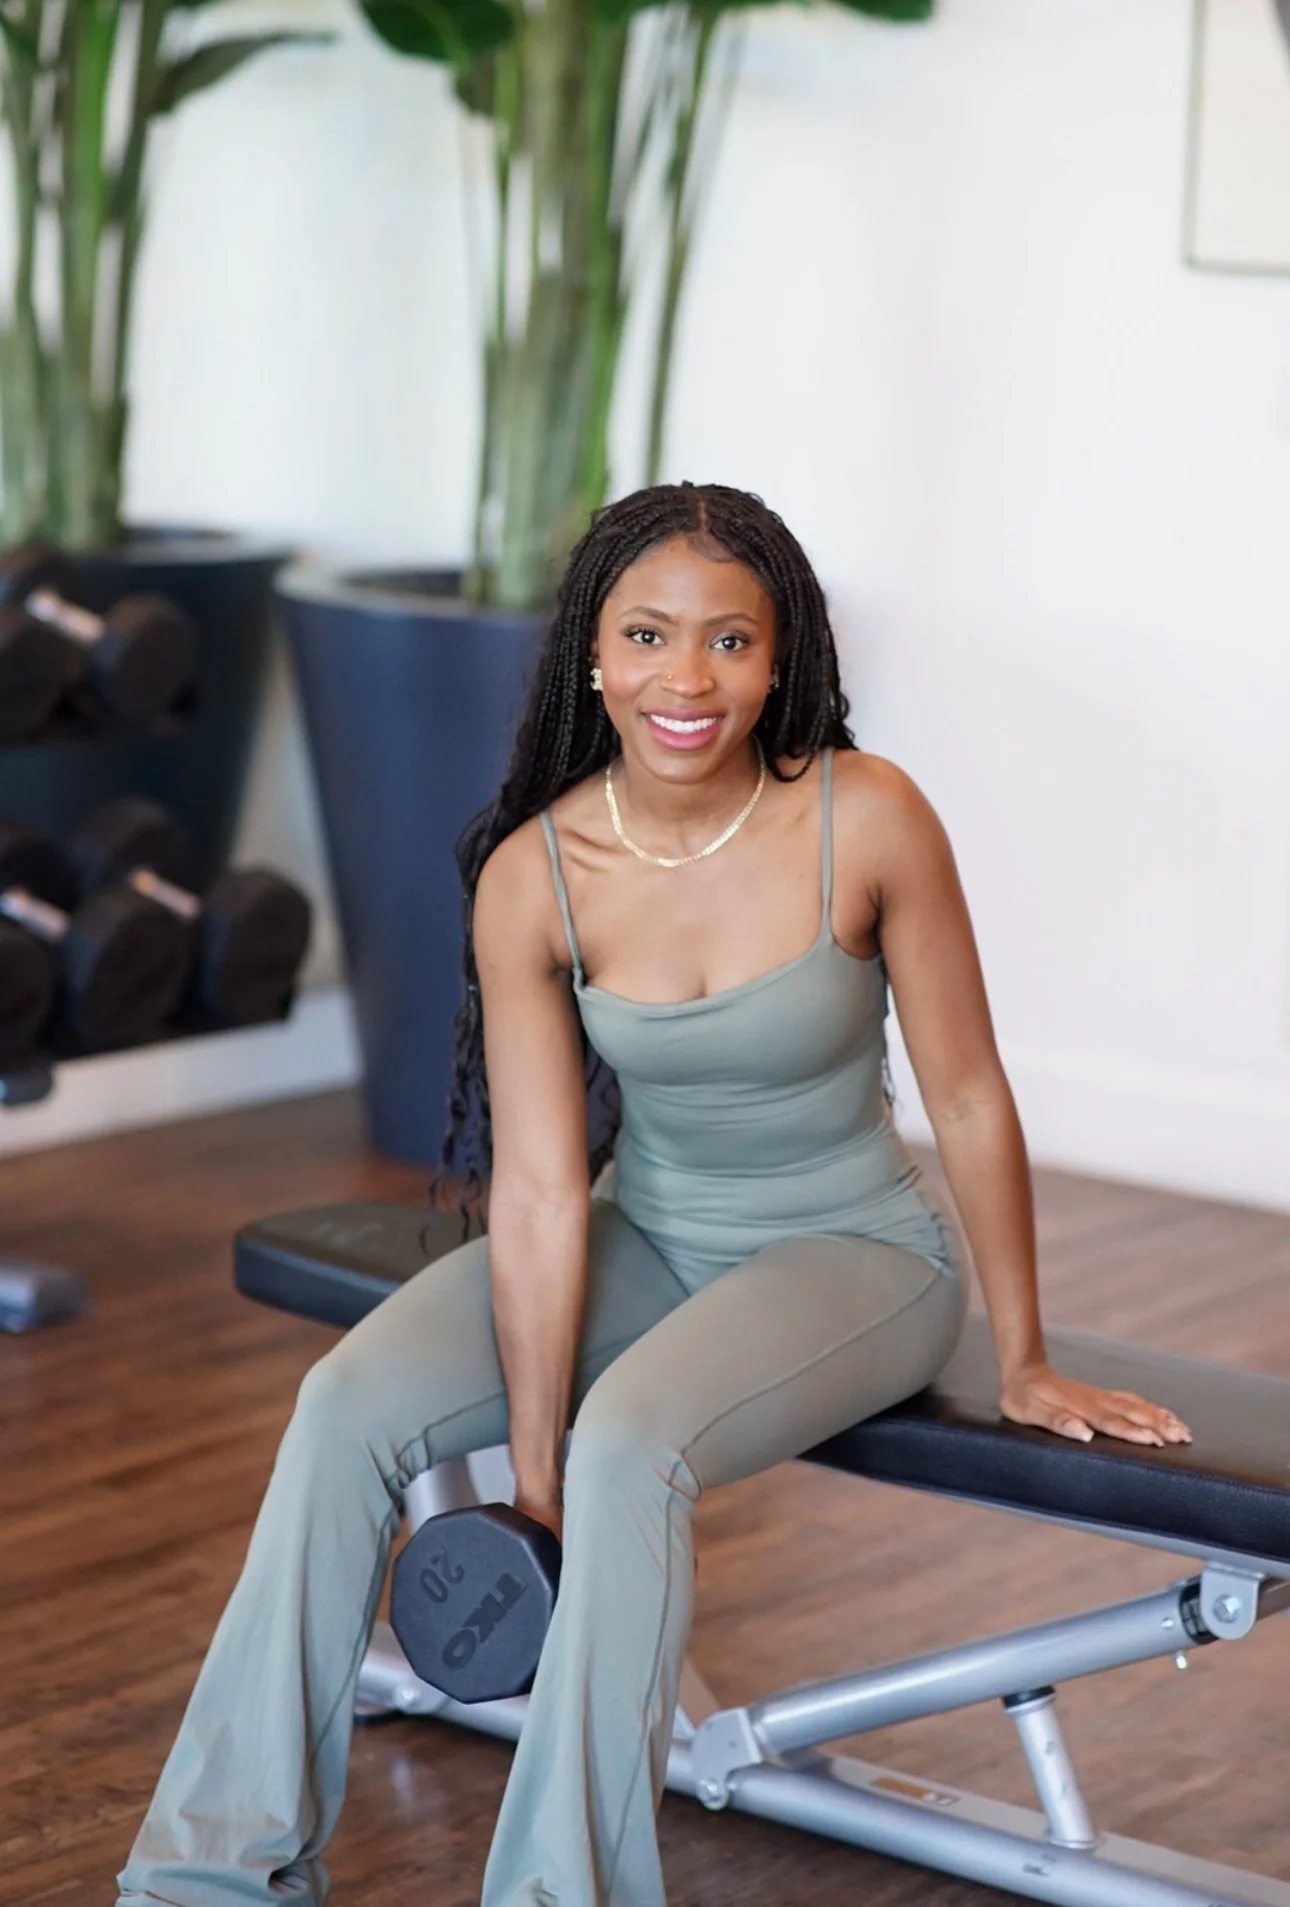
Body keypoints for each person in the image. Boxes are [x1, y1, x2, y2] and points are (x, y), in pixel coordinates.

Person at [115, 481, 1191, 1907]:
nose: (686, 679)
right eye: (647, 636)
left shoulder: (863, 819)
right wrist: (533, 1481)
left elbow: (972, 1095)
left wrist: (1029, 1349)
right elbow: (549, 1193)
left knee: (635, 1443)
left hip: (855, 1252)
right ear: (591, 656)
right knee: (342, 1407)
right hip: (647, 1230)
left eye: (729, 642)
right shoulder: (535, 874)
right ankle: (214, 1870)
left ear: (781, 655)